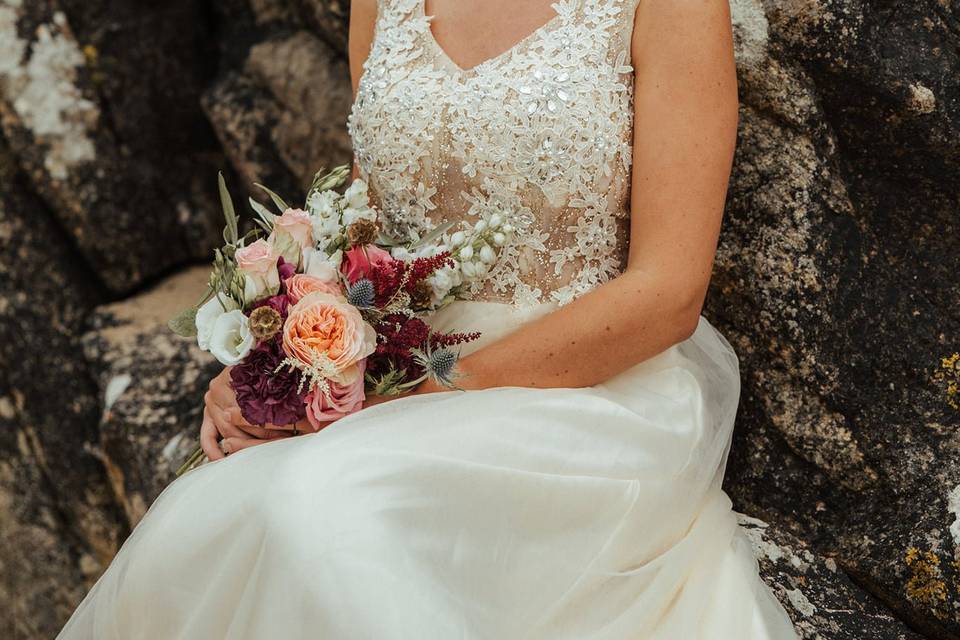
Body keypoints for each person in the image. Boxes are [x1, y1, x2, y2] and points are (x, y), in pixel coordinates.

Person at [57, 0, 800, 637]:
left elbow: (668, 293)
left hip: (590, 395)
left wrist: (417, 394)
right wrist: (276, 372)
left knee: (326, 504)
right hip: (398, 373)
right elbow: (370, 231)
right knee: (192, 533)